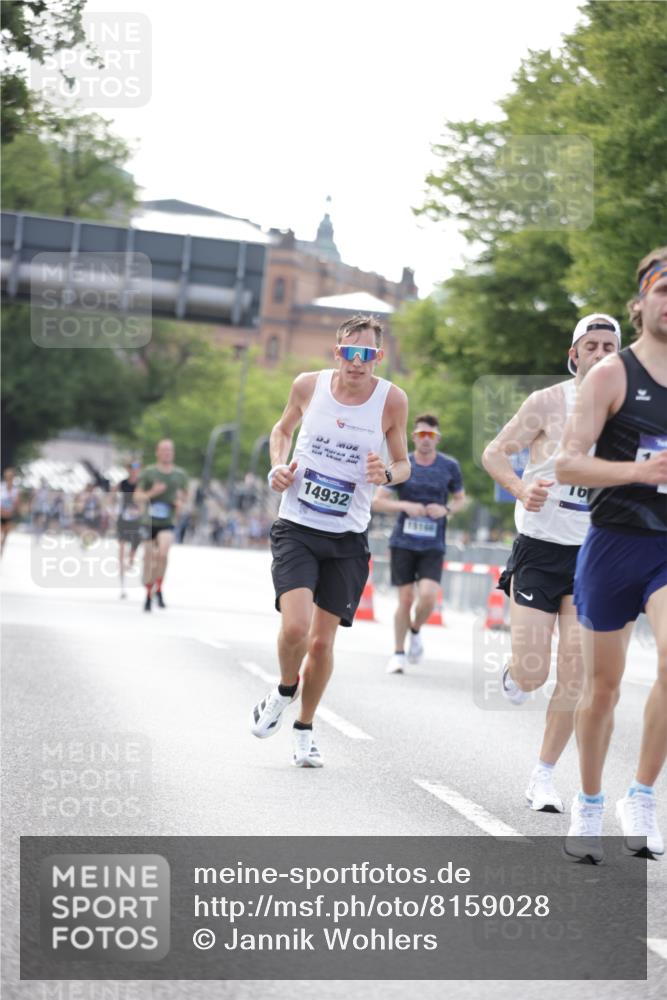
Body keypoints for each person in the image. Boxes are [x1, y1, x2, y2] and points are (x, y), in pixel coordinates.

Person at [250, 314, 410, 767]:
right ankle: (284, 690)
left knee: (322, 644)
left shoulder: (391, 400)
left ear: (378, 357)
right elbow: (282, 431)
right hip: (297, 526)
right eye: (348, 352)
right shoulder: (308, 386)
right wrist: (277, 466)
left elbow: (404, 464)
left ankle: (304, 728)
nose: (356, 363)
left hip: (347, 537)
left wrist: (388, 474)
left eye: (367, 355)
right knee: (296, 628)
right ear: (336, 352)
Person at [482, 313, 621, 813]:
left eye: (610, 345)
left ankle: (543, 775)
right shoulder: (547, 402)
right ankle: (516, 677)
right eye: (592, 345)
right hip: (540, 548)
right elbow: (495, 452)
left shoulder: (629, 412)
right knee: (533, 670)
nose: (601, 353)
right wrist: (522, 489)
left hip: (595, 553)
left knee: (575, 673)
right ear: (574, 354)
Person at [557, 248, 667, 862]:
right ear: (643, 300)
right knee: (603, 689)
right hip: (614, 543)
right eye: (663, 289)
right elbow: (569, 462)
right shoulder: (611, 376)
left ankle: (642, 795)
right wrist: (638, 470)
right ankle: (590, 803)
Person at [371, 413, 465, 673]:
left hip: (433, 543)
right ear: (413, 437)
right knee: (405, 598)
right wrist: (405, 505)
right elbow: (378, 501)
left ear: (437, 438)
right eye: (421, 434)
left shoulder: (449, 466)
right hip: (403, 542)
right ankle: (398, 654)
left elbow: (460, 499)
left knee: (428, 597)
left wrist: (445, 510)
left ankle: (415, 630)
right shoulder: (403, 465)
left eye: (431, 435)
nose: (426, 440)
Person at [134, 440, 188, 612]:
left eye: (170, 450)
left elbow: (185, 496)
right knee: (150, 557)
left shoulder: (180, 475)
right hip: (148, 522)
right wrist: (153, 493)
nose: (167, 453)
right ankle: (149, 593)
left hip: (167, 522)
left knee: (162, 554)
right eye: (164, 450)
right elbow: (137, 497)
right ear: (157, 452)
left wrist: (179, 502)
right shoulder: (149, 473)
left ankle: (159, 587)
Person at [114, 460, 143, 599]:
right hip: (123, 519)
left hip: (137, 521)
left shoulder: (142, 484)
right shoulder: (123, 483)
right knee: (121, 549)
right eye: (132, 467)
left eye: (136, 467)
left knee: (132, 553)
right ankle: (122, 585)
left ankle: (129, 561)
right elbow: (112, 495)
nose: (134, 470)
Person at [1, 468, 20, 556]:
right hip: (1, 513)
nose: (10, 478)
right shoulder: (1, 487)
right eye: (8, 477)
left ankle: (1, 549)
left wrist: (13, 509)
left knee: (6, 533)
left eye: (11, 477)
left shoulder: (15, 490)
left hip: (9, 514)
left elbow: (16, 503)